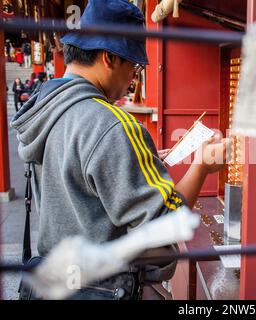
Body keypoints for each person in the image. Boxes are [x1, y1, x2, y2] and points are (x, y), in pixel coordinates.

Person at [11, 0, 231, 300]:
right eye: (134, 65)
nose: (133, 80)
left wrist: (137, 161)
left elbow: (81, 181)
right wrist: (202, 166)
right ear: (110, 58)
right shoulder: (111, 125)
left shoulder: (45, 109)